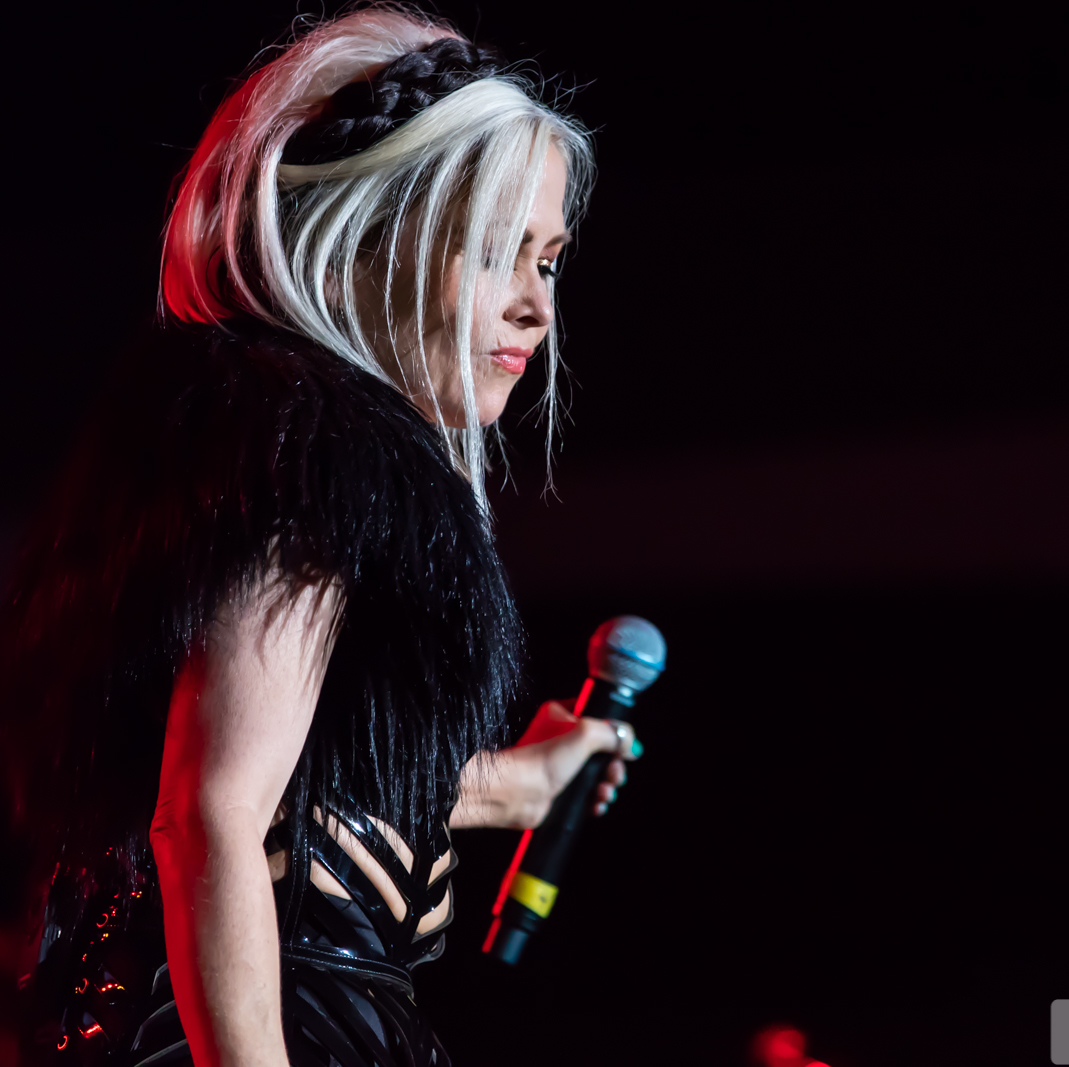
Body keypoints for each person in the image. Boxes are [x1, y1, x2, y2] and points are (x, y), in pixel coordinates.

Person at [3, 10, 634, 1065]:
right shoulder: (308, 445)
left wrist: (514, 786)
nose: (537, 308)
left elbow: (301, 778)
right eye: (495, 253)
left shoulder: (278, 439)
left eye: (550, 261)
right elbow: (210, 810)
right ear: (372, 237)